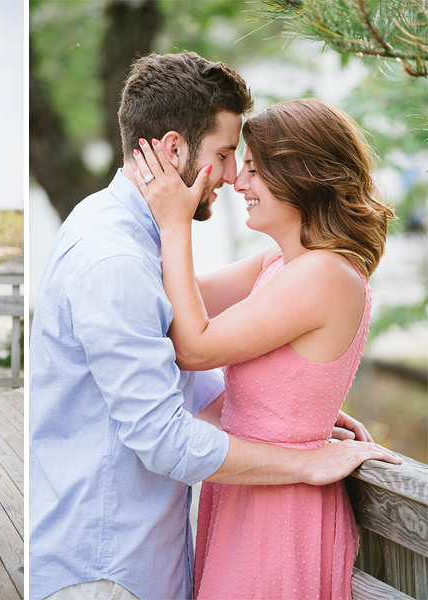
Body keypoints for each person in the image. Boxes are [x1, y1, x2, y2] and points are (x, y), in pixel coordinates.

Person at [28, 51, 401, 600]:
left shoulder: (125, 239)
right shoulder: (117, 259)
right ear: (174, 148)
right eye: (227, 156)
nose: (233, 177)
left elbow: (179, 344)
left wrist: (290, 405)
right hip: (105, 562)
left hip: (161, 543)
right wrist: (301, 451)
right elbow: (179, 383)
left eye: (248, 163)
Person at [132, 97, 397, 599]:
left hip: (281, 507)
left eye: (254, 169)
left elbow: (195, 346)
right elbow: (171, 303)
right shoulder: (281, 264)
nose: (237, 182)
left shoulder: (324, 274)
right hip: (247, 489)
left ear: (301, 174)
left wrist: (175, 224)